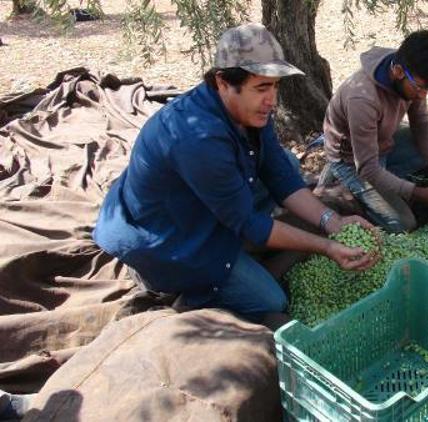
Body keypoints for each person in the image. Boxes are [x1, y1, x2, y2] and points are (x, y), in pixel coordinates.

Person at [93, 24, 375, 323]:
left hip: (206, 205)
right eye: (262, 88)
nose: (273, 99)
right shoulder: (198, 139)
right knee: (271, 300)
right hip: (164, 237)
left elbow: (278, 173)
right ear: (223, 83)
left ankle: (239, 250)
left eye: (275, 86)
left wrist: (332, 221)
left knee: (290, 165)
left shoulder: (251, 110)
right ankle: (172, 286)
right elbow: (248, 223)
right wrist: (327, 246)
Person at [318, 30, 428, 233]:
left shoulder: (411, 71)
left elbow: (422, 124)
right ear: (398, 72)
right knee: (403, 223)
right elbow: (368, 168)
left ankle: (389, 181)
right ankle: (341, 188)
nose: (423, 96)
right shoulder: (362, 99)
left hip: (382, 141)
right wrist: (418, 193)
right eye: (420, 89)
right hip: (350, 160)